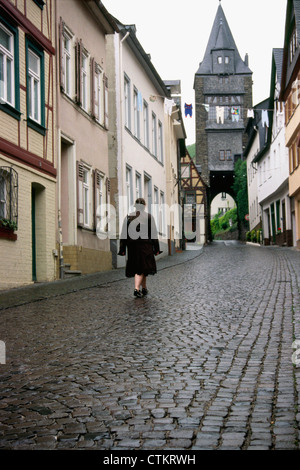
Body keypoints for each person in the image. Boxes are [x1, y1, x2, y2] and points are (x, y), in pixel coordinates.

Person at [118, 198, 162, 297]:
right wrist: (157, 249)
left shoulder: (129, 217)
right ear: (144, 206)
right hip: (145, 246)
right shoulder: (149, 217)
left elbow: (124, 234)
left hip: (132, 246)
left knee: (142, 268)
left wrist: (122, 249)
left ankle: (144, 288)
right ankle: (137, 289)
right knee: (141, 268)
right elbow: (153, 233)